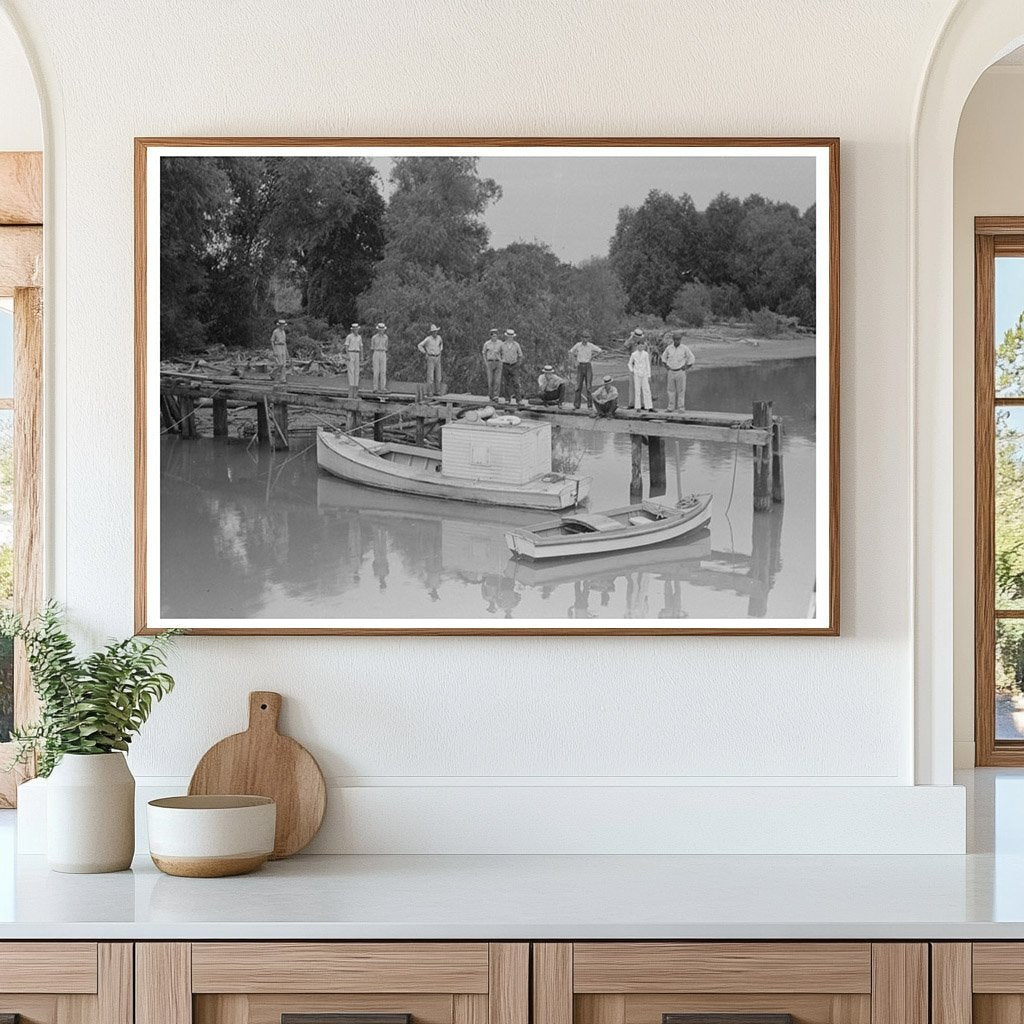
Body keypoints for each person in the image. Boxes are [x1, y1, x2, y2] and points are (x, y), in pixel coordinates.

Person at [661, 329, 696, 411]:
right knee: (670, 390)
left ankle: (681, 407)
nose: (677, 341)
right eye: (676, 339)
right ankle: (670, 407)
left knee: (681, 390)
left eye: (679, 339)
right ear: (673, 340)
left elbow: (692, 358)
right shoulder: (669, 348)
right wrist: (666, 366)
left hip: (680, 371)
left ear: (680, 340)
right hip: (671, 371)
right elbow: (663, 357)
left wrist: (687, 367)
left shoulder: (684, 348)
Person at [568, 330, 602, 409]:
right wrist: (574, 361)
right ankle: (577, 405)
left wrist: (593, 357)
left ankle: (589, 405)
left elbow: (600, 351)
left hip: (588, 365)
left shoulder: (590, 345)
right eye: (583, 337)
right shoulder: (578, 345)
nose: (585, 339)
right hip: (580, 366)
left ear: (588, 339)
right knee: (578, 386)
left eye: (586, 338)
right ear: (581, 338)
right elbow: (570, 352)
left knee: (588, 387)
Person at [627, 337, 654, 411]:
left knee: (647, 390)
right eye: (640, 346)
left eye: (642, 346)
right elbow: (629, 363)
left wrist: (649, 375)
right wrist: (632, 370)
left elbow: (648, 365)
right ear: (637, 346)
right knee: (637, 390)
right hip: (637, 374)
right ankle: (637, 407)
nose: (641, 347)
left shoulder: (645, 354)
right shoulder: (634, 354)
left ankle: (649, 406)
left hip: (644, 374)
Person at [499, 328, 524, 405]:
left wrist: (518, 364)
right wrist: (501, 360)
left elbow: (520, 355)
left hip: (514, 365)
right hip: (505, 365)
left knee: (516, 382)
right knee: (506, 383)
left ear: (513, 337)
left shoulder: (516, 345)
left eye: (511, 336)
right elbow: (498, 354)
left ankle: (518, 400)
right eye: (509, 336)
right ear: (506, 336)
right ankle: (507, 399)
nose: (510, 338)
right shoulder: (502, 345)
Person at [418, 323, 444, 395]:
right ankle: (430, 392)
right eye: (434, 332)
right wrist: (425, 352)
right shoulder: (428, 339)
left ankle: (438, 391)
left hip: (437, 357)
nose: (435, 333)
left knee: (438, 376)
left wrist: (440, 351)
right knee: (430, 376)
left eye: (436, 331)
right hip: (431, 357)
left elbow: (441, 344)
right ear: (432, 332)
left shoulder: (439, 338)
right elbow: (420, 345)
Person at [482, 327, 503, 400]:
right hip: (490, 362)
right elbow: (484, 353)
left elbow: (504, 352)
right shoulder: (487, 344)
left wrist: (501, 360)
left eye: (496, 336)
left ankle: (496, 396)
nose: (495, 337)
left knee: (497, 380)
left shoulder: (500, 343)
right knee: (490, 380)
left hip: (498, 362)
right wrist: (486, 362)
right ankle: (490, 395)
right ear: (491, 336)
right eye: (493, 336)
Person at [344, 322, 363, 395]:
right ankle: (351, 386)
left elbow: (361, 346)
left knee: (357, 370)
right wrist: (347, 355)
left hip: (357, 353)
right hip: (351, 352)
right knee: (351, 369)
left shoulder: (359, 337)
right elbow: (346, 346)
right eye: (355, 329)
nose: (356, 330)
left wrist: (362, 356)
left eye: (357, 329)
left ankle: (356, 385)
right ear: (352, 330)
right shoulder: (349, 337)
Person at [370, 322, 389, 393]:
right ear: (378, 330)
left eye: (383, 329)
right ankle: (375, 388)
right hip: (376, 352)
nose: (381, 330)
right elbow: (372, 347)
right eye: (380, 329)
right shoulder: (374, 337)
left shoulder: (386, 337)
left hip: (383, 352)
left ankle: (383, 387)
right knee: (376, 371)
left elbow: (386, 346)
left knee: (383, 371)